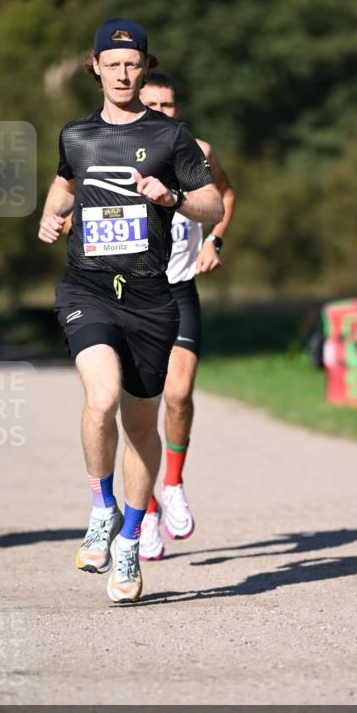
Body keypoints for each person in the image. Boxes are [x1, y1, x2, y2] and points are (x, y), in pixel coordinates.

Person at [38, 18, 223, 604]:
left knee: (142, 426)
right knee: (101, 398)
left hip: (150, 297)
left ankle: (128, 545)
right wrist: (49, 215)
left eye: (132, 63)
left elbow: (213, 201)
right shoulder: (75, 134)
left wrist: (170, 197)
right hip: (87, 288)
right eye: (111, 63)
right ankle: (101, 505)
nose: (122, 72)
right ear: (95, 67)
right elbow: (66, 184)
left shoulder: (172, 137)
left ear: (144, 69)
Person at [137, 74, 236, 560]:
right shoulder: (117, 148)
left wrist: (215, 241)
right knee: (136, 411)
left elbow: (227, 196)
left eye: (168, 103)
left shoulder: (197, 149)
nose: (160, 110)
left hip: (178, 290)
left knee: (178, 394)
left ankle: (172, 484)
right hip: (129, 296)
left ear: (178, 107)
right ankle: (147, 509)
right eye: (151, 103)